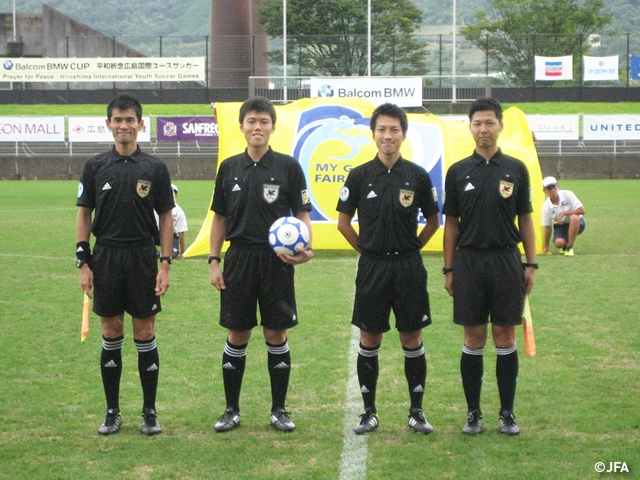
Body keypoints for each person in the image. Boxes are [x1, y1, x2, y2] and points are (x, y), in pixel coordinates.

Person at [209, 96, 313, 433]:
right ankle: (230, 410)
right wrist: (214, 261)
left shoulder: (288, 167)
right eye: (251, 121)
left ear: (272, 127)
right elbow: (219, 219)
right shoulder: (229, 168)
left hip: (277, 261)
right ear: (241, 126)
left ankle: (279, 410)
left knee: (275, 332)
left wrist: (305, 248)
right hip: (238, 258)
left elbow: (302, 215)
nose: (257, 127)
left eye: (263, 122)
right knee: (237, 333)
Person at [336, 102, 440, 435]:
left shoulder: (418, 176)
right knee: (369, 336)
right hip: (373, 267)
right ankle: (368, 412)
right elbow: (342, 223)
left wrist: (414, 247)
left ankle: (417, 411)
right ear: (373, 134)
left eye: (394, 129)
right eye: (381, 129)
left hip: (408, 267)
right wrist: (366, 249)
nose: (388, 135)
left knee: (412, 336)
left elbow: (435, 220)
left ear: (404, 134)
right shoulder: (359, 175)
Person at [76, 93, 175, 436]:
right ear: (108, 124)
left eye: (130, 120)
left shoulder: (155, 168)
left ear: (140, 124)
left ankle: (149, 412)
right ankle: (112, 411)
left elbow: (166, 215)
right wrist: (82, 261)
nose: (123, 126)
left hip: (142, 257)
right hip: (105, 255)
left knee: (145, 332)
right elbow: (84, 213)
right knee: (111, 331)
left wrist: (164, 263)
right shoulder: (94, 166)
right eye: (117, 120)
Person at [442, 97, 537, 436]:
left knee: (504, 334)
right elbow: (451, 223)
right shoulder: (457, 171)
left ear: (500, 126)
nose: (483, 129)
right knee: (474, 335)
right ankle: (473, 413)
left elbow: (525, 218)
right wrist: (449, 269)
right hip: (468, 262)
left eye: (489, 123)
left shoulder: (516, 168)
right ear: (470, 128)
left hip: (506, 260)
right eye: (477, 123)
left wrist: (531, 263)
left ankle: (507, 414)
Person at [541, 176, 585, 256]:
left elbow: (582, 210)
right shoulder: (546, 207)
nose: (553, 190)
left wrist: (564, 213)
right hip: (562, 225)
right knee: (558, 243)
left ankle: (569, 247)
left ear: (558, 187)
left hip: (578, 222)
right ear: (544, 191)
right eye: (549, 189)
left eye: (554, 187)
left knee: (574, 217)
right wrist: (546, 246)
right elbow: (548, 228)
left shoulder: (568, 194)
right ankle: (564, 246)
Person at [170, 183, 189, 258]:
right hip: (155, 234)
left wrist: (183, 252)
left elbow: (181, 233)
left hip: (170, 235)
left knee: (172, 255)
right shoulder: (155, 208)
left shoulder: (179, 212)